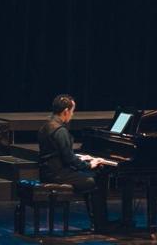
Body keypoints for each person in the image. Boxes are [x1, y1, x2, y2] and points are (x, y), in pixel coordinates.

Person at [37, 94, 108, 231]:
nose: (72, 115)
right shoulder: (60, 130)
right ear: (66, 111)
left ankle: (98, 222)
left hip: (47, 171)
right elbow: (68, 159)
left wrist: (80, 158)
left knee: (88, 176)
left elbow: (58, 154)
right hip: (57, 174)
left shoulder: (46, 126)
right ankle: (100, 224)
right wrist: (89, 164)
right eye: (72, 111)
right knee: (95, 180)